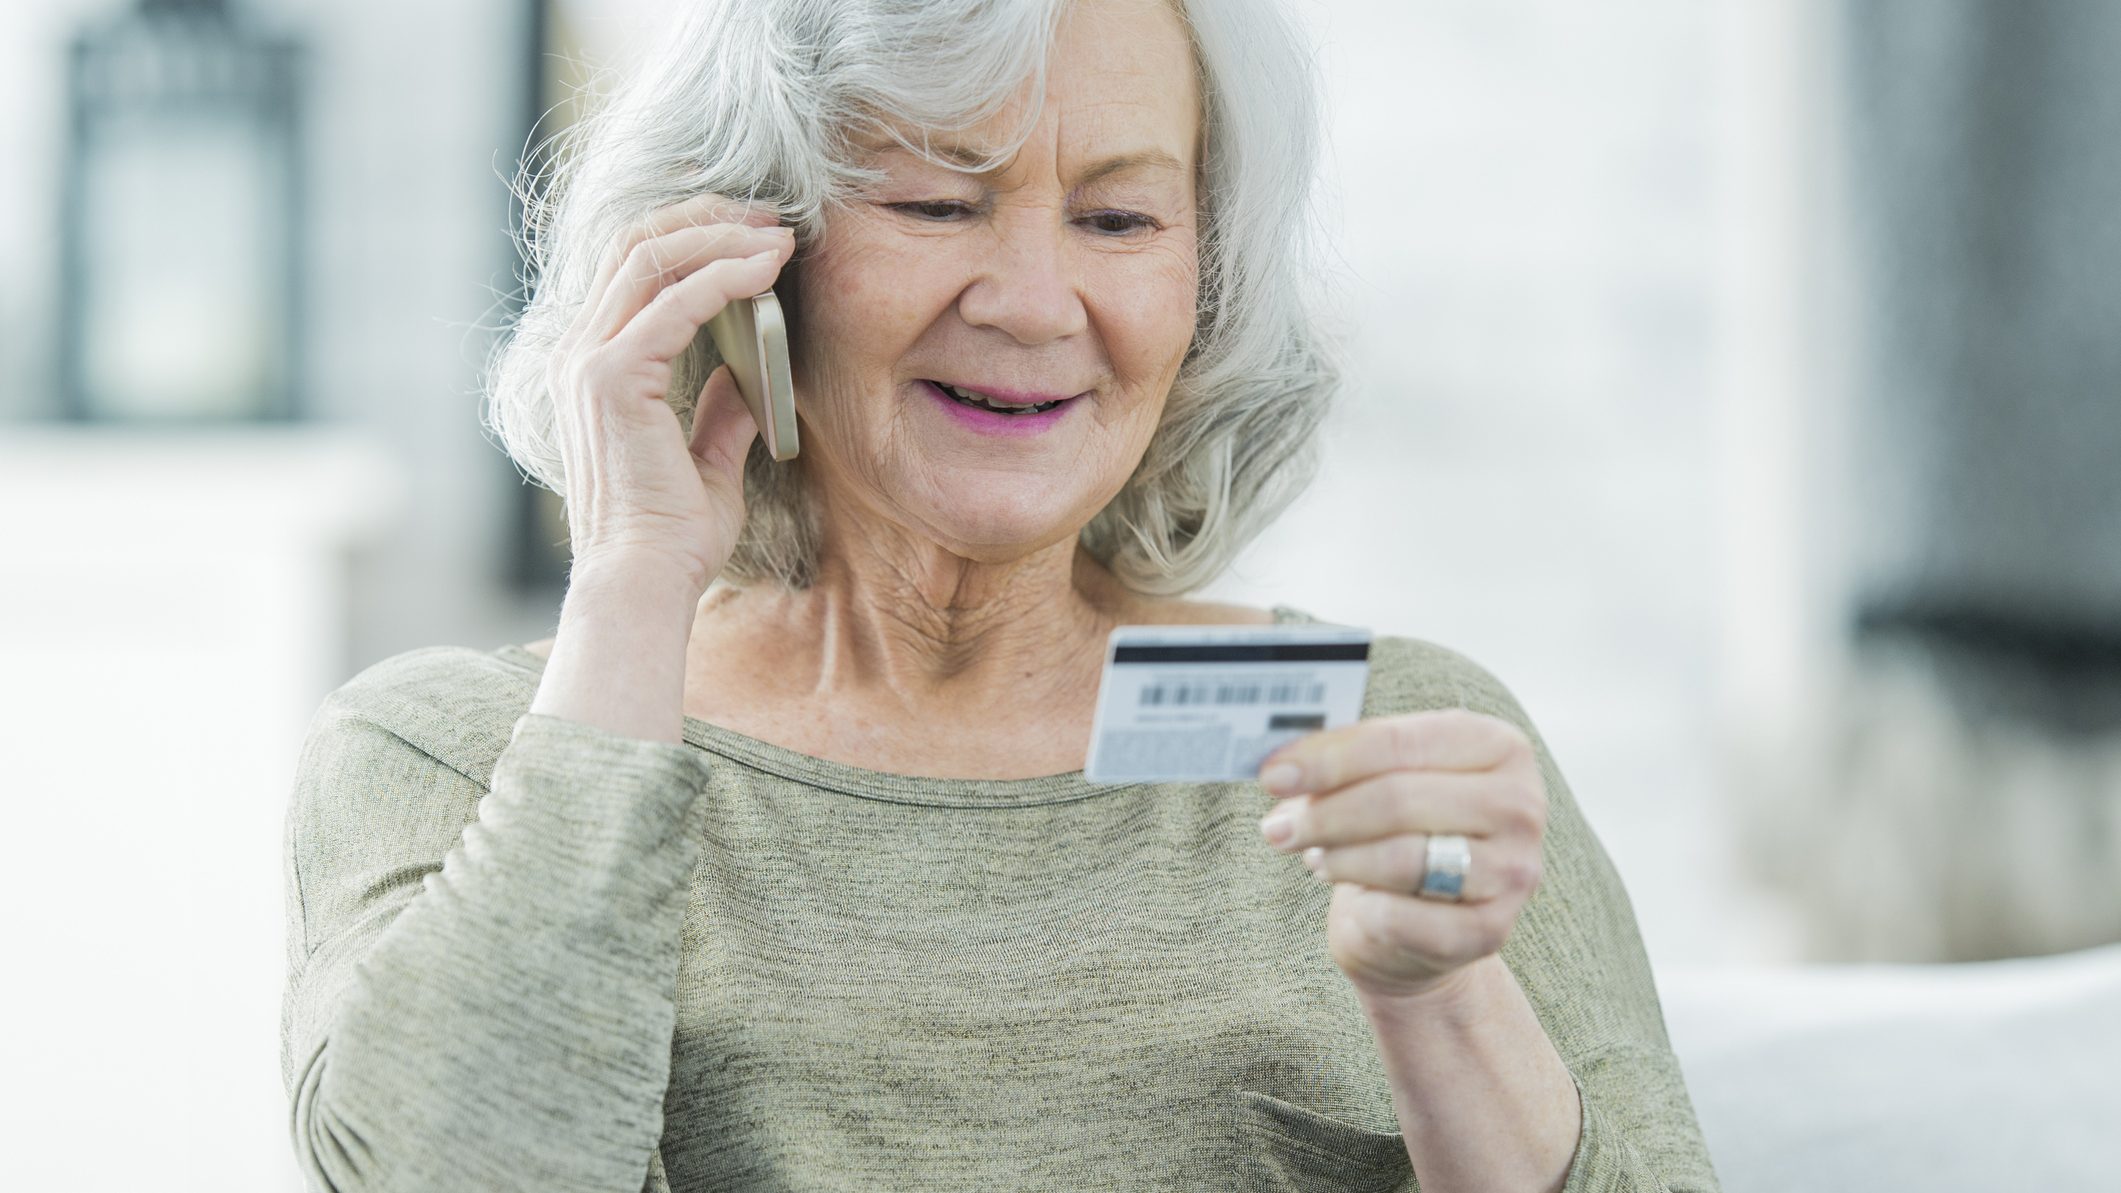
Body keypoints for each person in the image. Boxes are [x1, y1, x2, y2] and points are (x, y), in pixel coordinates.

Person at [279, 0, 1721, 1189]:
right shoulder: (454, 757)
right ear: (744, 264)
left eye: (1117, 220)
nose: (1035, 300)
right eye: (935, 200)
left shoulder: (1389, 738)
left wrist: (1435, 995)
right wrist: (636, 584)